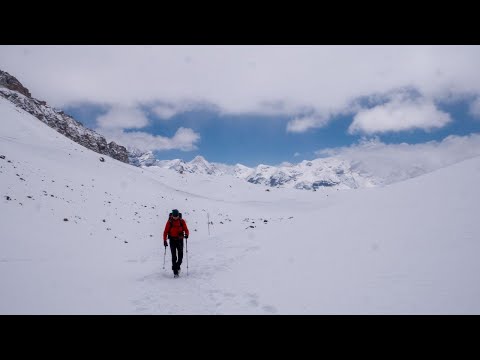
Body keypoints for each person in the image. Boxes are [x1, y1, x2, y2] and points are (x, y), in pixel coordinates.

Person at [163, 209, 189, 277]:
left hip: (180, 240)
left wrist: (186, 234)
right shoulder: (170, 222)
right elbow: (165, 231)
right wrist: (165, 240)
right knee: (174, 256)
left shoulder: (181, 221)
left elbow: (186, 229)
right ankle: (175, 272)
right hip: (172, 240)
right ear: (172, 215)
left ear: (178, 215)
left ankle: (177, 266)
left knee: (180, 256)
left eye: (176, 216)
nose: (175, 217)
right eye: (174, 216)